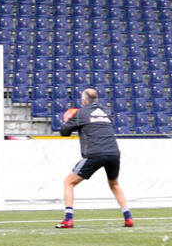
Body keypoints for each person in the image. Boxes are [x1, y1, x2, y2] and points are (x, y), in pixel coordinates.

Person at [56, 87, 133, 229]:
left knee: (68, 182)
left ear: (84, 100)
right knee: (114, 184)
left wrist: (67, 120)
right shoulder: (106, 112)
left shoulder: (80, 113)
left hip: (95, 153)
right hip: (114, 152)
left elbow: (64, 132)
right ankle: (128, 217)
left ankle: (68, 219)